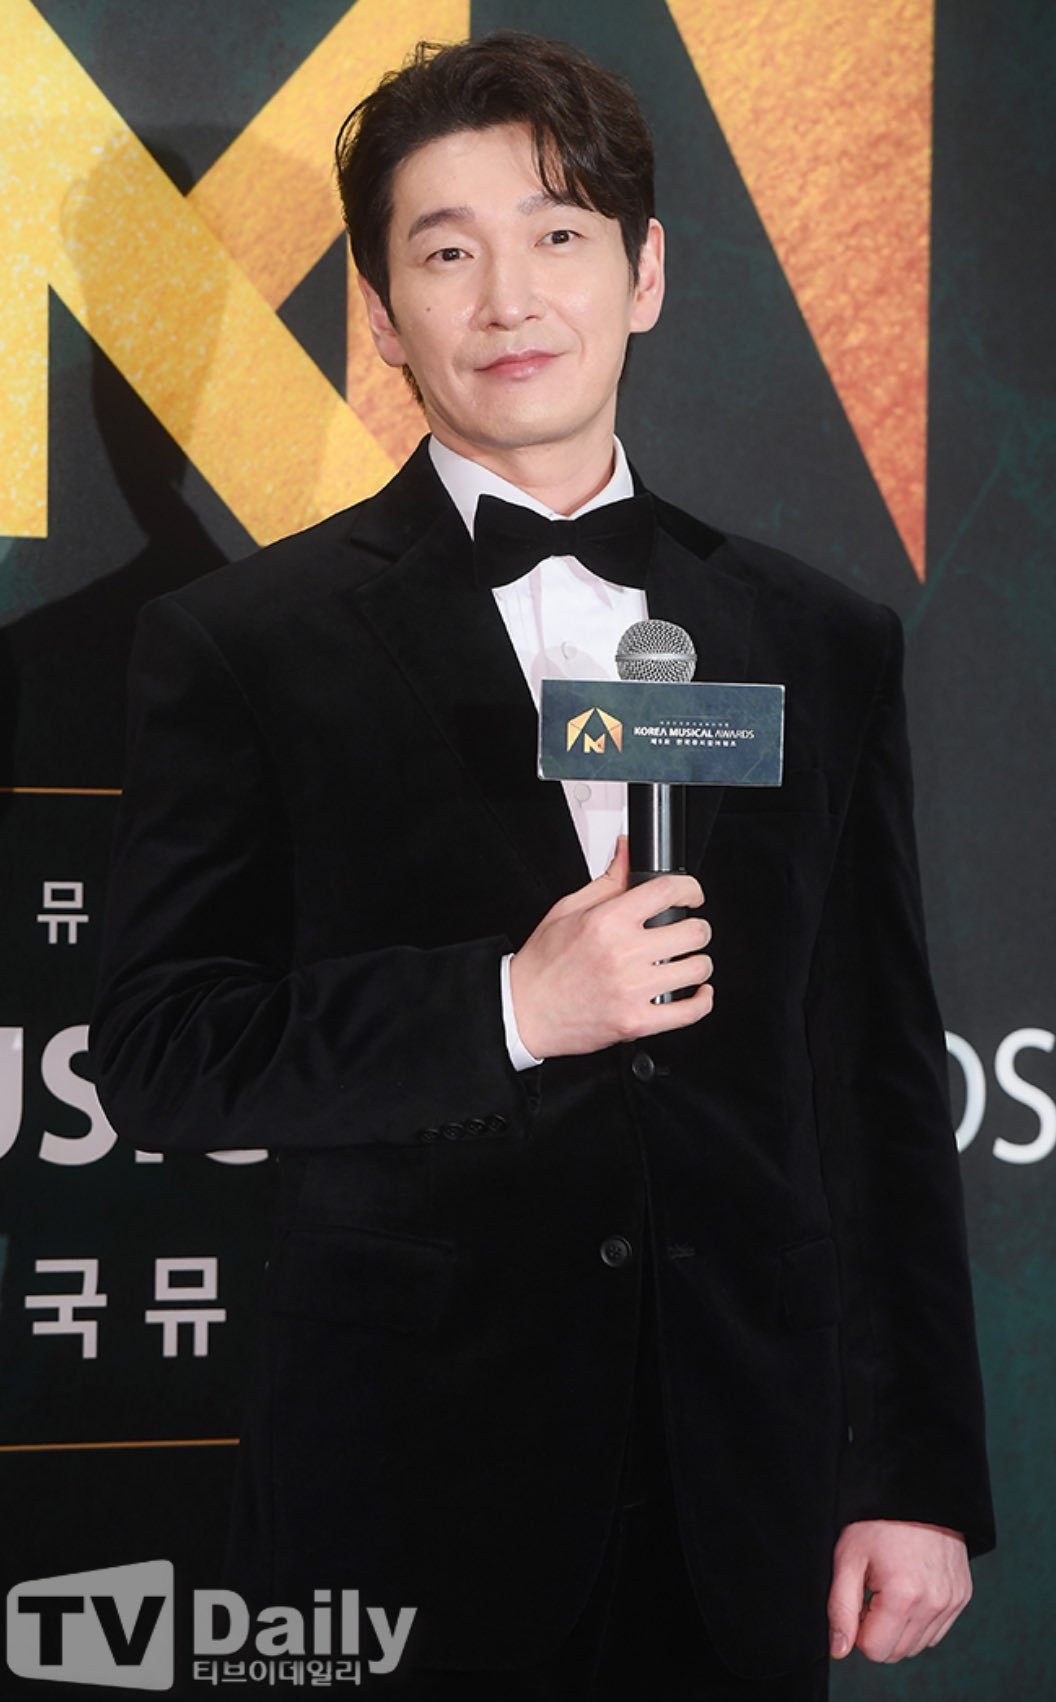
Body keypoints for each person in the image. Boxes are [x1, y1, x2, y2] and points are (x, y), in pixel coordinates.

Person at [89, 31, 994, 1700]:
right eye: (446, 252)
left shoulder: (819, 638)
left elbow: (871, 1077)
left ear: (644, 274)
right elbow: (158, 1052)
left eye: (558, 233)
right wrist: (505, 1006)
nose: (509, 298)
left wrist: (914, 1471)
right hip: (402, 1493)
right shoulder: (243, 646)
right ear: (383, 312)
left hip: (743, 1494)